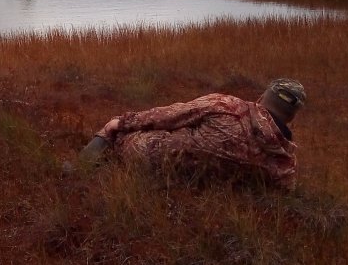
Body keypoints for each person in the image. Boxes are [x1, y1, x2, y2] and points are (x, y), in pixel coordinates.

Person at [80, 79, 306, 189]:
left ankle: (79, 167)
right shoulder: (286, 166)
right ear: (291, 116)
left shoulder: (227, 105)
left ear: (263, 97)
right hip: (199, 187)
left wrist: (123, 121)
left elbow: (169, 116)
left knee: (118, 129)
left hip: (155, 159)